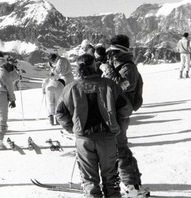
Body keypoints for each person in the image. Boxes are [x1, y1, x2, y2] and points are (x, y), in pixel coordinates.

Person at [56, 54, 133, 198]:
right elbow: (126, 109)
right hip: (107, 137)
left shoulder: (71, 88)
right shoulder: (110, 85)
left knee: (89, 181)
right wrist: (118, 120)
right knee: (111, 179)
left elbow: (60, 112)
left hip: (84, 139)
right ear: (94, 66)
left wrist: (72, 128)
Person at [103, 35, 149, 198]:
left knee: (119, 149)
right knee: (120, 148)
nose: (111, 55)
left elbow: (120, 87)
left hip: (120, 113)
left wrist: (108, 70)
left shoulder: (128, 68)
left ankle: (131, 186)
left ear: (121, 51)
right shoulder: (120, 66)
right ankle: (132, 183)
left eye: (114, 52)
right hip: (117, 112)